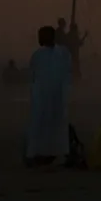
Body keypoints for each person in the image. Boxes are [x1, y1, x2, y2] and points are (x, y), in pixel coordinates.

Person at [26, 26, 72, 167]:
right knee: (40, 125)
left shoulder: (62, 53)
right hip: (41, 97)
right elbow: (34, 76)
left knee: (54, 125)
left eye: (41, 35)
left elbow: (66, 74)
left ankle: (54, 154)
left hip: (57, 96)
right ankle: (39, 154)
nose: (39, 38)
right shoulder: (38, 55)